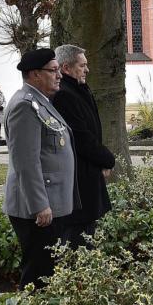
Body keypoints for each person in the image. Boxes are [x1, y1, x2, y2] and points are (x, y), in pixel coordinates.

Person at [3, 48, 80, 289]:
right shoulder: (25, 106)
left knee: (49, 267)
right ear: (35, 74)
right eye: (53, 70)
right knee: (39, 273)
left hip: (50, 203)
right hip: (37, 209)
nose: (59, 75)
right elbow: (26, 162)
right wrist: (40, 205)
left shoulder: (40, 102)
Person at [52, 44, 116, 249]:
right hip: (78, 179)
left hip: (87, 173)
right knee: (77, 237)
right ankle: (77, 278)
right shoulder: (65, 95)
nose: (87, 70)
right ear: (66, 68)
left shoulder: (77, 90)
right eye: (82, 65)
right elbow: (81, 137)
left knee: (87, 233)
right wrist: (106, 159)